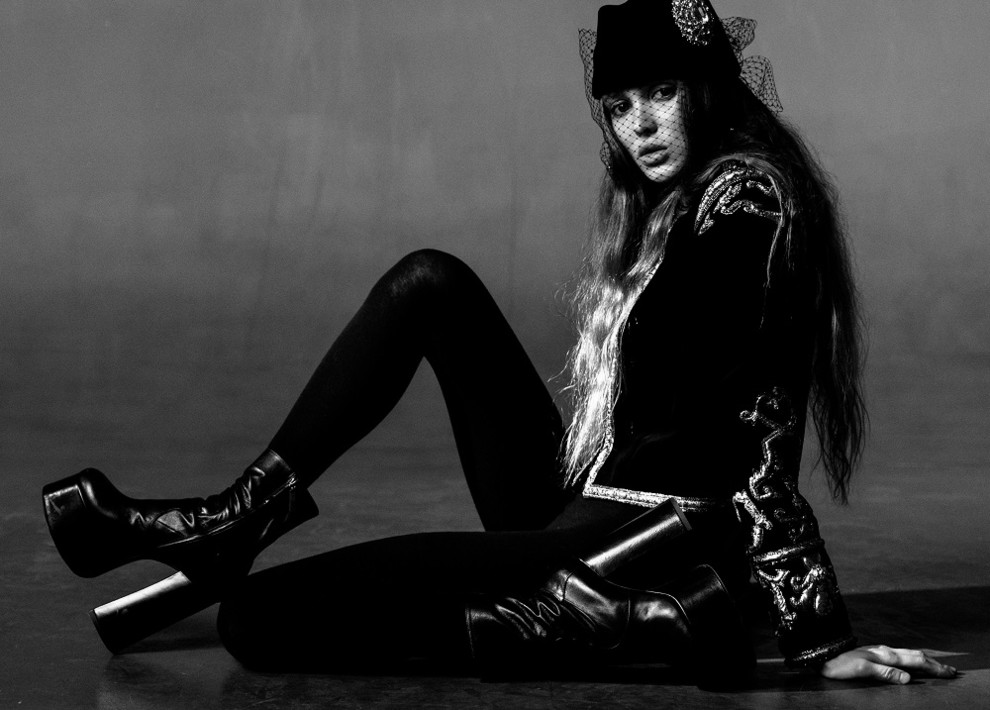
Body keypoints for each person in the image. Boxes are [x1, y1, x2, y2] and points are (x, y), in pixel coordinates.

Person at [43, 0, 957, 687]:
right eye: (620, 104)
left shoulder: (746, 205)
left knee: (254, 621)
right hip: (596, 504)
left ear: (708, 86)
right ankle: (235, 520)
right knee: (430, 284)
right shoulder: (678, 203)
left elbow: (762, 424)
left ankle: (646, 622)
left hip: (653, 546)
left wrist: (814, 633)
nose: (640, 126)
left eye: (663, 93)